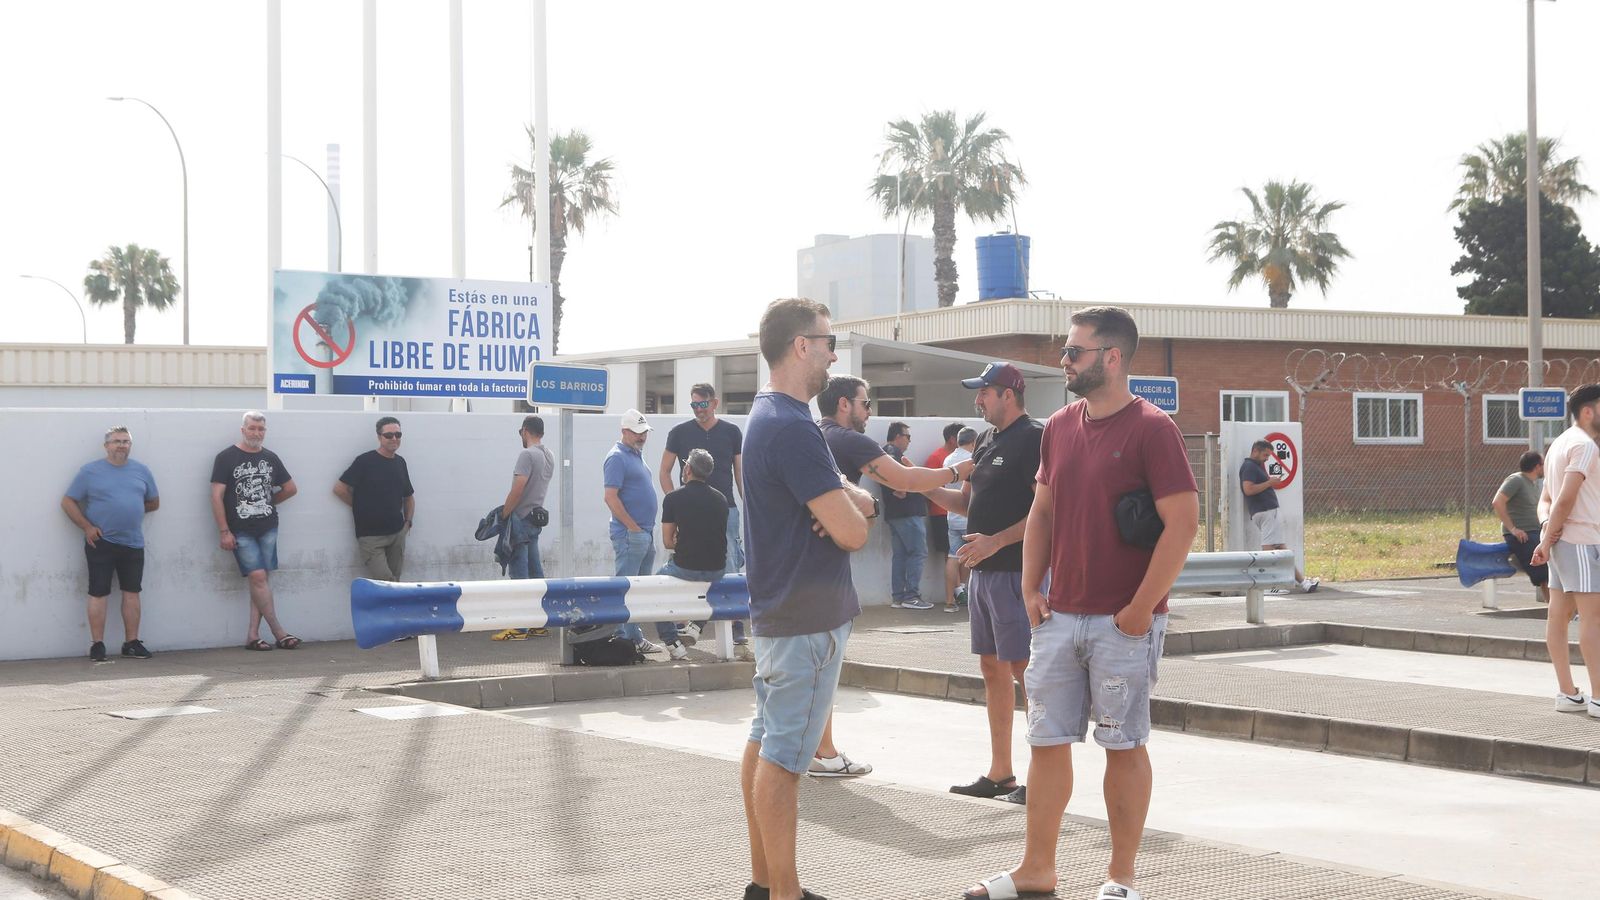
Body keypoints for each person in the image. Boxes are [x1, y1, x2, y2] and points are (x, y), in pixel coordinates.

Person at [964, 307, 1198, 900]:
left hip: (1124, 623)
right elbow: (1042, 511)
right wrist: (1029, 590)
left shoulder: (1152, 428)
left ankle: (1120, 879)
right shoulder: (1062, 426)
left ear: (1111, 358)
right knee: (1045, 742)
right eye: (1065, 351)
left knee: (1123, 746)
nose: (1063, 361)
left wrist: (1142, 609)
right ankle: (1036, 870)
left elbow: (1183, 524)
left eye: (1074, 352)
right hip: (1058, 616)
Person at [740, 298, 876, 900]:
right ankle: (783, 894)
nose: (832, 353)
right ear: (801, 346)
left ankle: (766, 884)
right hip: (805, 620)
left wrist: (847, 502)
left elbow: (852, 505)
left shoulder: (774, 415)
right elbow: (854, 531)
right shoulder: (794, 427)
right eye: (827, 341)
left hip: (783, 614)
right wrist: (850, 508)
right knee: (786, 759)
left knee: (766, 742)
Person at [924, 363, 1042, 808]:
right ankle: (1001, 773)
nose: (978, 401)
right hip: (984, 574)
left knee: (1025, 672)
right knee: (992, 668)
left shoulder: (1035, 438)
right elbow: (965, 504)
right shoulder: (989, 440)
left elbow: (1048, 512)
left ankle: (1041, 776)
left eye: (985, 393)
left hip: (1017, 573)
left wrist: (997, 542)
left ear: (1008, 394)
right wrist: (920, 485)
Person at [816, 376, 974, 611]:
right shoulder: (850, 440)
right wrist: (954, 472)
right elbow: (906, 479)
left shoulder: (815, 434)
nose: (870, 412)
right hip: (824, 567)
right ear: (844, 404)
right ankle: (909, 596)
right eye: (866, 404)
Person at [660, 382, 750, 649]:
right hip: (689, 509)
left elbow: (739, 474)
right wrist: (674, 504)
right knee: (687, 563)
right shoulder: (679, 432)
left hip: (726, 507)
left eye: (702, 403)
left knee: (731, 564)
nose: (699, 409)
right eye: (694, 404)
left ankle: (735, 624)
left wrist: (749, 507)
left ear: (714, 403)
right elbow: (664, 471)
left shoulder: (732, 432)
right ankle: (690, 622)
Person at [1530, 383, 1600, 719]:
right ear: (1589, 411)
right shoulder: (1585, 445)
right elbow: (1566, 498)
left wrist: (1546, 532)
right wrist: (1546, 539)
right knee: (1594, 617)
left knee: (1558, 616)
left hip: (1561, 542)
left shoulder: (1558, 444)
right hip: (1582, 542)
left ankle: (1568, 693)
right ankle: (1599, 698)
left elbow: (1545, 501)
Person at [61, 425, 160, 661]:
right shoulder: (90, 471)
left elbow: (153, 503)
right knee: (98, 592)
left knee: (132, 592)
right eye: (116, 441)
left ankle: (132, 643)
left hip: (133, 542)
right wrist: (87, 527)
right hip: (101, 542)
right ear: (106, 446)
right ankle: (97, 645)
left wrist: (129, 510)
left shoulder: (141, 471)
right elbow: (68, 501)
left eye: (125, 441)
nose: (121, 445)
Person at [210, 411, 301, 651]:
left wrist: (269, 503)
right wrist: (224, 531)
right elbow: (216, 496)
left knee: (259, 581)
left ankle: (252, 635)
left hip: (268, 526)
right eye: (252, 428)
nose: (256, 433)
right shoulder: (226, 457)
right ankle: (279, 632)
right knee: (259, 578)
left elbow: (290, 488)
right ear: (243, 430)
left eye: (261, 429)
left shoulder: (270, 458)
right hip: (240, 530)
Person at [657, 448, 729, 660]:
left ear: (687, 469)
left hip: (685, 567)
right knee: (707, 580)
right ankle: (696, 625)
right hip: (718, 568)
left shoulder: (673, 498)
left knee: (654, 587)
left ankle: (672, 643)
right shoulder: (721, 499)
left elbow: (668, 542)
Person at [604, 409, 664, 654]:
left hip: (643, 533)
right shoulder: (617, 457)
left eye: (644, 432)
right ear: (624, 432)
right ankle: (623, 638)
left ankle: (634, 638)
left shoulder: (635, 455)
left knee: (638, 589)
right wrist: (633, 528)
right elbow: (610, 497)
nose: (642, 437)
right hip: (632, 534)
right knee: (628, 587)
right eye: (637, 432)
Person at [492, 415, 555, 641]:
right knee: (536, 573)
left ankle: (519, 627)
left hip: (520, 520)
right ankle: (539, 622)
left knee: (519, 574)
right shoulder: (549, 455)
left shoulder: (527, 455)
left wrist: (504, 514)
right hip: (535, 518)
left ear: (525, 431)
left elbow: (518, 488)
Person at [334, 417, 415, 580]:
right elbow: (340, 489)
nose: (394, 439)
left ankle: (394, 606)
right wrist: (360, 507)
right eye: (389, 435)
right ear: (379, 437)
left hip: (397, 533)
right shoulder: (365, 461)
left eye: (398, 435)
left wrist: (407, 523)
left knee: (396, 582)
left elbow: (409, 496)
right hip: (370, 537)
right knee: (385, 581)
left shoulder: (400, 462)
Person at [1239, 439, 1318, 592]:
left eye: (1268, 456)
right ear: (1255, 451)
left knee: (1282, 550)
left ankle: (1303, 583)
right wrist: (1270, 483)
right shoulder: (1249, 467)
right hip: (1266, 511)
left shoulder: (1254, 466)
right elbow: (1248, 489)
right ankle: (1268, 586)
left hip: (1267, 512)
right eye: (1265, 455)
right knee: (1270, 550)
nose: (1267, 458)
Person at [1493, 450, 1548, 604]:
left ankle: (1561, 611)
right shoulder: (1516, 479)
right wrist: (1513, 529)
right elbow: (1498, 502)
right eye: (1543, 464)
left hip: (1536, 532)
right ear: (1537, 466)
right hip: (1523, 535)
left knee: (1552, 569)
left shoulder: (1532, 485)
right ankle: (1557, 612)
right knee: (1544, 572)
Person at [940, 427, 978, 613]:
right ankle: (965, 592)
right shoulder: (971, 461)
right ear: (972, 443)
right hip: (967, 515)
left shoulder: (948, 459)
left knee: (952, 556)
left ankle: (950, 600)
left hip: (951, 515)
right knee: (969, 557)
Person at [924, 422, 963, 596]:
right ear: (953, 439)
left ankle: (960, 590)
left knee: (959, 555)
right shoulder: (937, 457)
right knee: (951, 555)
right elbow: (930, 485)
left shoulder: (957, 457)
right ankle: (956, 592)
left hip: (958, 512)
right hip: (941, 513)